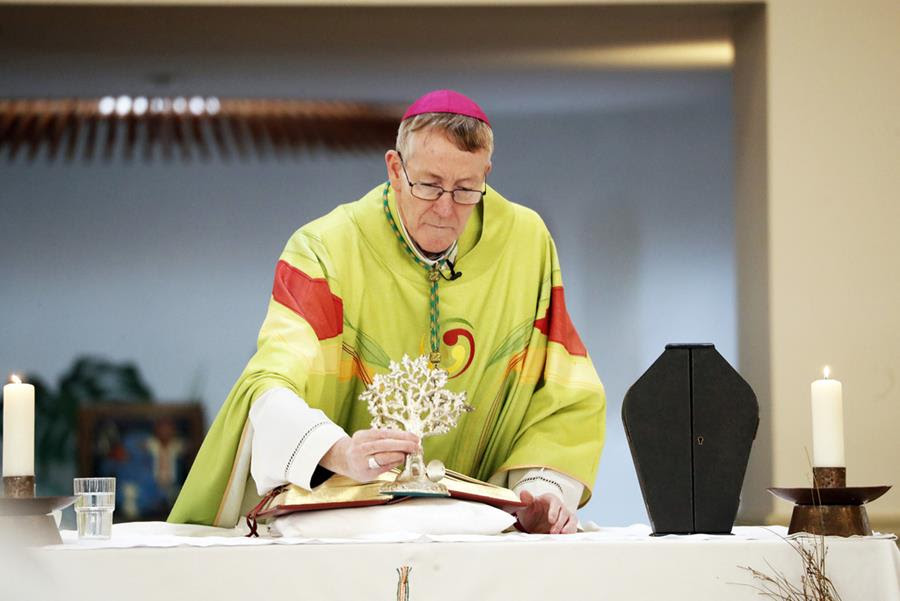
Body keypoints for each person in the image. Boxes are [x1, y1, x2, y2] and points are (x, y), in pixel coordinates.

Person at [169, 89, 606, 534]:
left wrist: (539, 491)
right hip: (347, 526)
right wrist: (337, 451)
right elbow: (269, 384)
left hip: (476, 530)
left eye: (466, 189)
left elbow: (564, 392)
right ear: (396, 169)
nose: (445, 208)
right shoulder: (326, 249)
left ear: (486, 175)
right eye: (429, 184)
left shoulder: (525, 245)